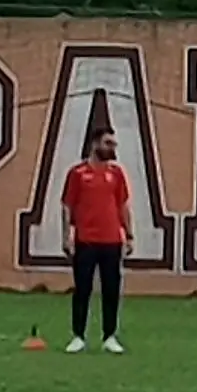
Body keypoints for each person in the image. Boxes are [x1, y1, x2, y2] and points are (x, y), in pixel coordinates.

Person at [64, 123, 132, 353]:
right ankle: (78, 336)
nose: (112, 147)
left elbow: (123, 205)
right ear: (95, 144)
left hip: (111, 240)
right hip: (86, 239)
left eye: (113, 143)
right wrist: (68, 235)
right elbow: (68, 206)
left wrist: (128, 234)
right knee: (82, 288)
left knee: (111, 289)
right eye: (107, 143)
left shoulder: (116, 174)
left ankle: (110, 335)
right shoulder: (77, 173)